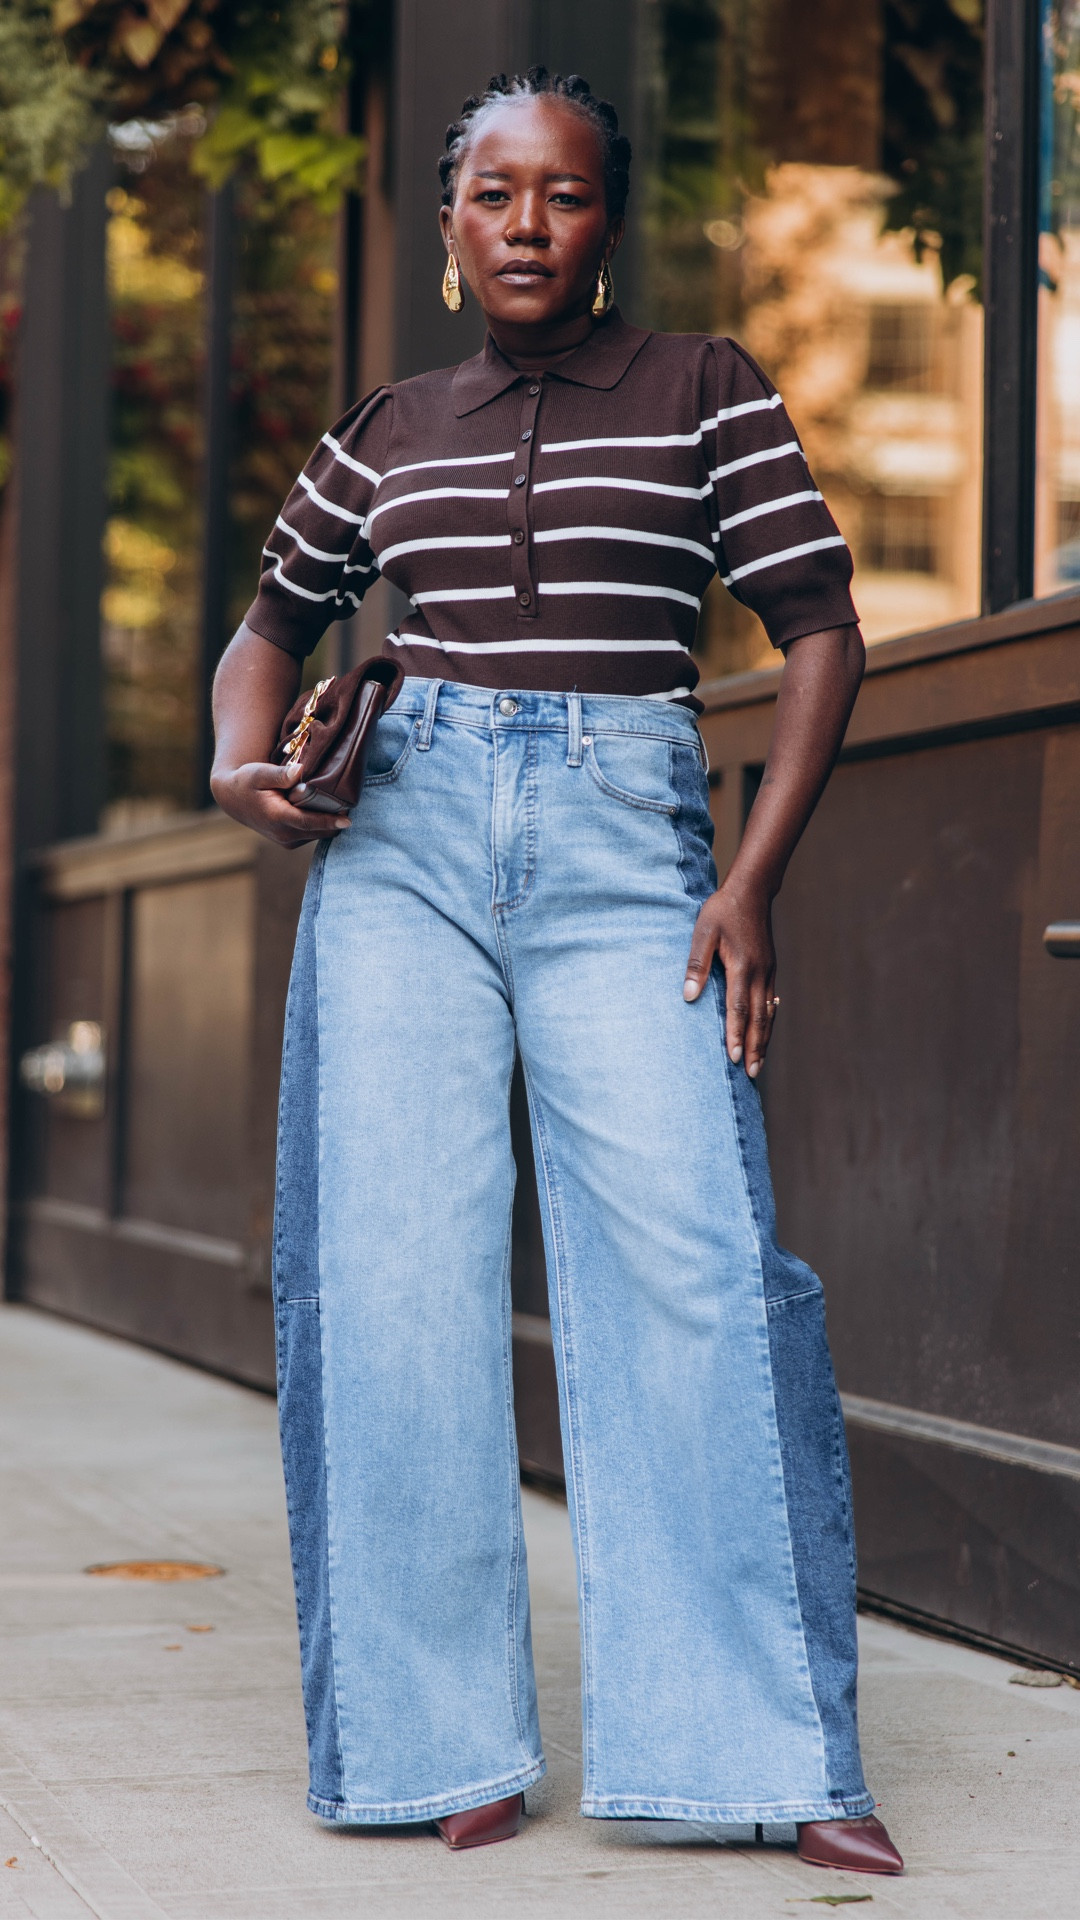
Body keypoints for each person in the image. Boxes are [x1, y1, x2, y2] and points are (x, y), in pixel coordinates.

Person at [210, 68, 903, 1875]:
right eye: (496, 195)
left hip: (627, 846)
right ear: (448, 225)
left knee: (696, 1272)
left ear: (610, 223)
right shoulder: (385, 425)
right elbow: (269, 625)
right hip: (401, 852)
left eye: (567, 196)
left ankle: (770, 1752)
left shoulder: (705, 390)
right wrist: (240, 768)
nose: (528, 224)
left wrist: (750, 880)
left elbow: (822, 631)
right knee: (389, 1280)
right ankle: (436, 1743)